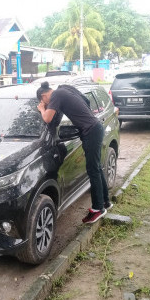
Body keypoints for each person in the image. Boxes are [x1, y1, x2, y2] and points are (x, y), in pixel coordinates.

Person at [36, 82, 112, 224]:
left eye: (44, 102)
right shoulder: (64, 89)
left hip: (91, 132)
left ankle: (98, 209)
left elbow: (47, 118)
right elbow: (86, 100)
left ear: (43, 96)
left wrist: (41, 109)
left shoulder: (56, 95)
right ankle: (105, 202)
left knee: (93, 170)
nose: (47, 104)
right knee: (96, 168)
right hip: (94, 128)